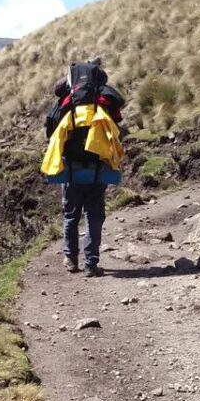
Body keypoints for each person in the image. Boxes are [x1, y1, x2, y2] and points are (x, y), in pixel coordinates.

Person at [43, 60, 126, 278]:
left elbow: (50, 133)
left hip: (71, 170)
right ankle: (91, 263)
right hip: (98, 170)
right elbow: (118, 128)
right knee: (94, 216)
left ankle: (71, 259)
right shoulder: (101, 103)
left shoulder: (67, 105)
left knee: (71, 215)